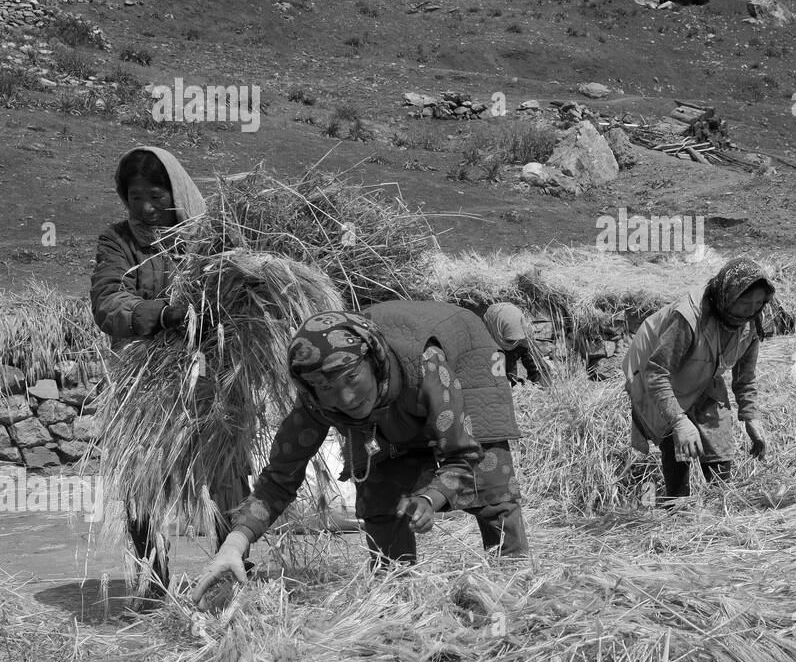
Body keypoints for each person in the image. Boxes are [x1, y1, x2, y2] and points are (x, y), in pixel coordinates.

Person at [191, 302, 529, 604]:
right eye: (326, 388)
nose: (347, 398)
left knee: (490, 484)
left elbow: (461, 454)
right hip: (389, 411)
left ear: (373, 361)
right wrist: (235, 543)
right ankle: (396, 594)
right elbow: (279, 477)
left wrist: (431, 497)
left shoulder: (427, 365)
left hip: (464, 365)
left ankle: (515, 581)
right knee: (380, 495)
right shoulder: (315, 402)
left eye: (352, 376)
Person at [90, 146, 251, 596]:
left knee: (227, 474)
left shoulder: (211, 240)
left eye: (156, 196)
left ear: (176, 191)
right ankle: (154, 585)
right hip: (148, 382)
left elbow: (242, 296)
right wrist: (161, 314)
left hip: (213, 377)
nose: (145, 208)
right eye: (135, 197)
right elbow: (108, 300)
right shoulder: (117, 240)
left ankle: (231, 576)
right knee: (145, 476)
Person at [623, 257, 774, 501]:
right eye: (746, 301)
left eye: (759, 302)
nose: (752, 309)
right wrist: (679, 421)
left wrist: (751, 417)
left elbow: (745, 378)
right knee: (676, 444)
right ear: (729, 293)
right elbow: (657, 371)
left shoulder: (751, 323)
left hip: (701, 373)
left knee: (719, 440)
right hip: (654, 375)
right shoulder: (689, 317)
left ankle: (721, 507)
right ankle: (676, 508)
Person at [481, 302, 546, 386]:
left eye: (518, 340)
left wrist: (538, 382)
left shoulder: (522, 335)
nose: (515, 344)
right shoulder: (485, 342)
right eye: (510, 341)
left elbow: (536, 365)